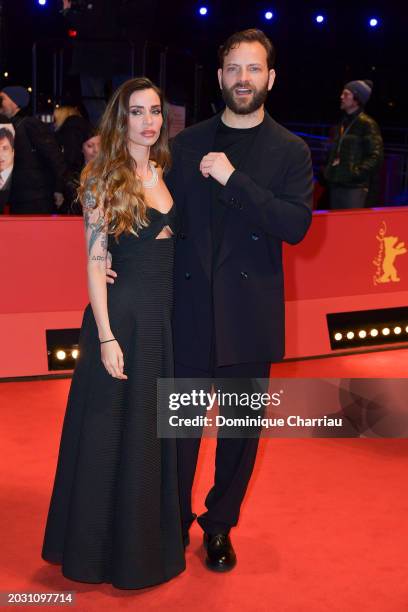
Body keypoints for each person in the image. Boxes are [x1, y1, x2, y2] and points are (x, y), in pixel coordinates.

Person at [107, 28, 313, 572]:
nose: (242, 79)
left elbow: (295, 226)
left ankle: (219, 527)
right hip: (189, 314)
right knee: (178, 435)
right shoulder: (186, 142)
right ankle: (171, 523)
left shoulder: (290, 150)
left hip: (250, 320)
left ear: (270, 78)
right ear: (220, 77)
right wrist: (112, 254)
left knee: (240, 439)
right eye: (233, 69)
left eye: (253, 69)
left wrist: (234, 179)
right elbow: (152, 206)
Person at [41, 77, 186, 589]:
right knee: (108, 433)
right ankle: (97, 551)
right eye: (136, 112)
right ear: (120, 119)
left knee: (146, 435)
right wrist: (104, 337)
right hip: (121, 319)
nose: (148, 121)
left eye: (155, 112)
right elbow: (95, 258)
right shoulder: (105, 177)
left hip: (159, 323)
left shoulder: (164, 171)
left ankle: (141, 548)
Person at [0, 86, 66, 214]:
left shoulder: (29, 124)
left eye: (2, 98)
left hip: (35, 198)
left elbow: (53, 155)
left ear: (15, 102)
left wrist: (59, 188)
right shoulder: (8, 126)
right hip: (17, 197)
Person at [323, 79, 384, 209]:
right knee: (336, 226)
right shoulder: (342, 122)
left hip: (354, 188)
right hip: (337, 183)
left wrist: (355, 173)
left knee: (351, 226)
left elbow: (376, 156)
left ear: (356, 99)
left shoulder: (367, 124)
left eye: (346, 94)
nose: (341, 97)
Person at [54, 103, 93, 214]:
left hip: (72, 181)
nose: (54, 122)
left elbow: (68, 159)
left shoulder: (69, 130)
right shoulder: (85, 127)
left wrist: (59, 188)